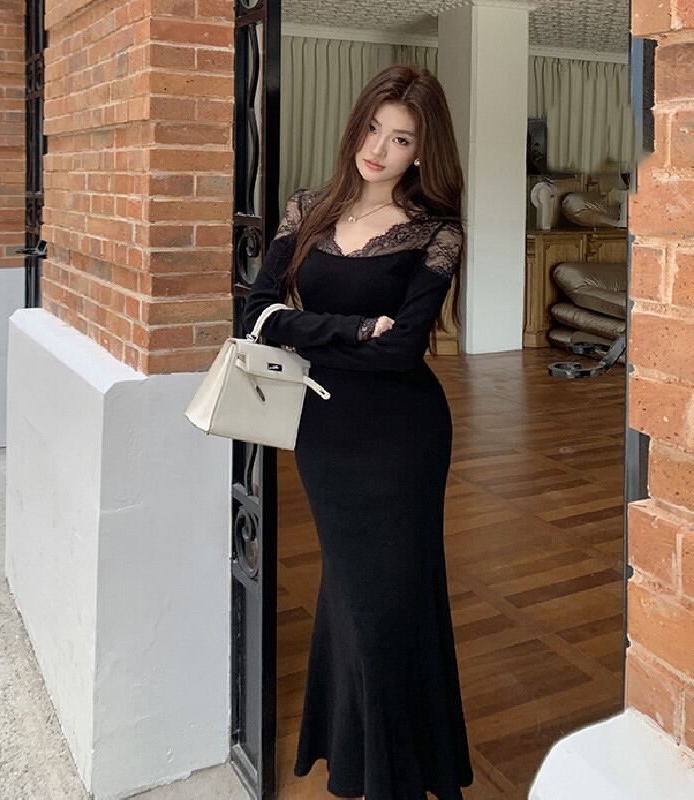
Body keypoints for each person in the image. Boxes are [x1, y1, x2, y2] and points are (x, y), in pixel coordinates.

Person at [242, 63, 474, 800]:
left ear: (422, 151)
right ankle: (359, 757)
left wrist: (300, 326)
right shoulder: (306, 209)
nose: (378, 149)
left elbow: (402, 350)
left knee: (390, 600)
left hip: (404, 438)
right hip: (326, 432)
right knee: (353, 593)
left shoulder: (436, 232)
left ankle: (391, 776)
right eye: (373, 128)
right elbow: (254, 314)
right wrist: (349, 329)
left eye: (400, 138)